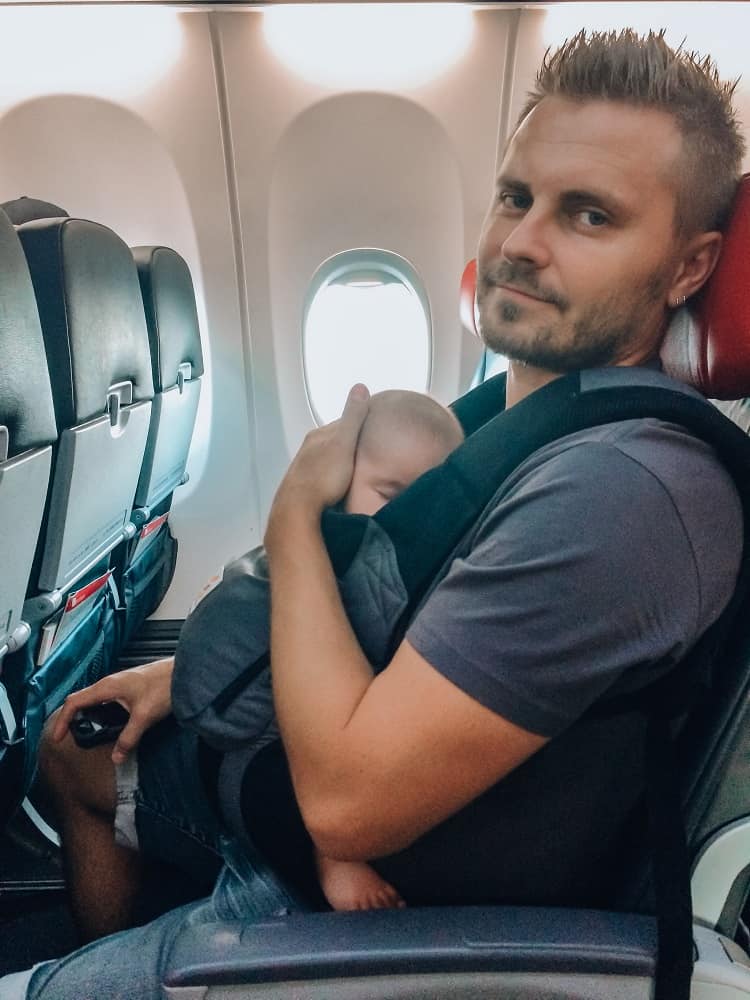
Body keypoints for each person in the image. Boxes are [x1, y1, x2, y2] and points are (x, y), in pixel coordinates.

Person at [2, 28, 746, 999]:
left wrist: (296, 516)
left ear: (689, 268)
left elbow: (348, 808)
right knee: (79, 746)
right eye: (516, 196)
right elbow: (404, 610)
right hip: (311, 790)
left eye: (590, 215)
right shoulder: (517, 414)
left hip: (395, 895)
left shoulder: (626, 493)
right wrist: (191, 673)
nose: (522, 241)